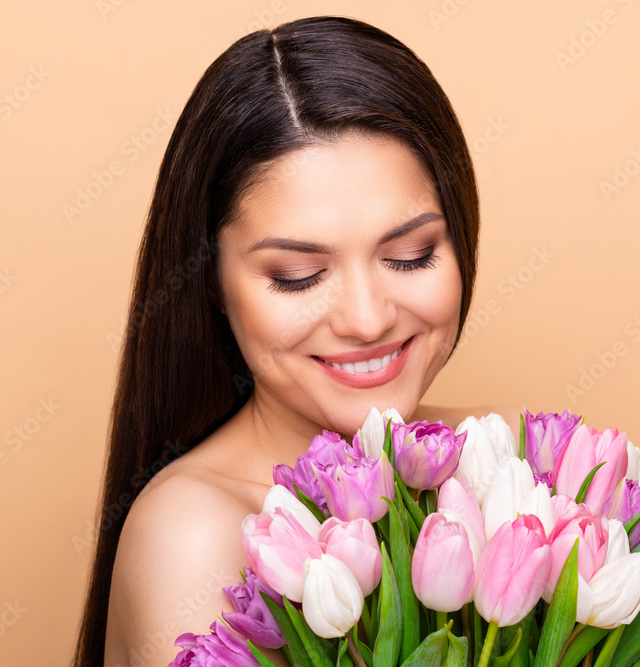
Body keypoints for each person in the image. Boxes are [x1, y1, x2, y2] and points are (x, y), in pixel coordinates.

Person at [74, 15, 500, 666]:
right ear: (210, 281)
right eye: (298, 275)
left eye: (412, 255)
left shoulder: (510, 467)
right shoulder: (192, 534)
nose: (365, 319)